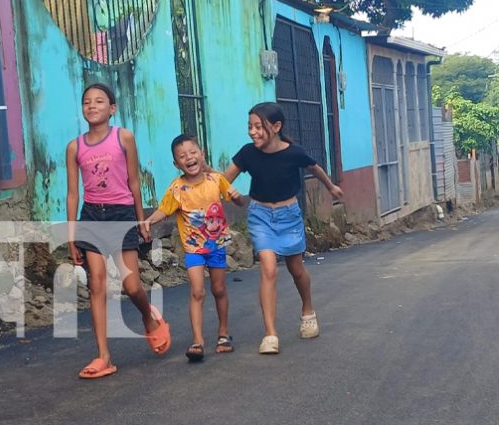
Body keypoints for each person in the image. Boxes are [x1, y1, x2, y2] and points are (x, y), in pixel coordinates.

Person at [66, 83, 171, 379]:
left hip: (122, 215)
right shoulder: (75, 147)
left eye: (99, 101)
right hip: (91, 217)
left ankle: (148, 317)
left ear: (112, 109)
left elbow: (134, 182)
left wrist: (141, 221)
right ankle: (103, 357)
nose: (92, 106)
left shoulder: (123, 137)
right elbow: (73, 194)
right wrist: (72, 235)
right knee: (97, 285)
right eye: (87, 102)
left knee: (132, 286)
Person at [224, 102, 343, 354]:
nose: (253, 132)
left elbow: (315, 168)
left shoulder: (294, 152)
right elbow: (223, 181)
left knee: (296, 268)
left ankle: (308, 310)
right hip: (260, 215)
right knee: (268, 268)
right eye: (250, 127)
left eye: (259, 127)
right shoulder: (247, 153)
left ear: (276, 127)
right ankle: (270, 334)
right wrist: (227, 193)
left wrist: (331, 187)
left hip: (289, 216)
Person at [144, 134, 247, 362]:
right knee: (197, 291)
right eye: (182, 156)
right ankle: (198, 341)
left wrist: (238, 197)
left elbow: (238, 200)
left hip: (217, 246)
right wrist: (149, 220)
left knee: (219, 289)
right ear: (176, 164)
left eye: (192, 152)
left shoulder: (215, 180)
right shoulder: (177, 188)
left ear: (202, 155)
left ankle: (222, 333)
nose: (189, 158)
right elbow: (164, 210)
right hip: (193, 250)